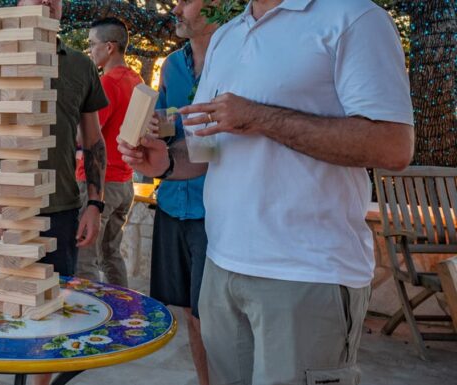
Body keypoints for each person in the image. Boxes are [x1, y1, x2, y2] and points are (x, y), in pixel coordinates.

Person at [120, 1, 414, 383]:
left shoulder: (353, 17)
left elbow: (393, 146)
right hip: (221, 267)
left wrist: (260, 118)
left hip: (306, 273)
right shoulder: (226, 37)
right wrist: (165, 162)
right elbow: (207, 148)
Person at [0, 0, 108, 280]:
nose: (46, 1)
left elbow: (93, 143)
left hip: (60, 213)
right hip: (4, 209)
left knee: (55, 302)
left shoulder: (81, 65)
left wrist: (95, 203)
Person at [145, 2, 224, 384]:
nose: (175, 8)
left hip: (216, 211)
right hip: (173, 203)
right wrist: (152, 126)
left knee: (215, 316)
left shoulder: (236, 58)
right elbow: (165, 129)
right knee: (191, 314)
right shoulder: (171, 64)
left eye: (186, 1)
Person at [76, 18, 139, 287]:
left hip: (99, 184)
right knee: (111, 255)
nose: (90, 50)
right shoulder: (135, 79)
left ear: (110, 47)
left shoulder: (107, 84)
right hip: (124, 183)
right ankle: (121, 308)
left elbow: (86, 136)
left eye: (93, 44)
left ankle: (87, 311)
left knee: (84, 258)